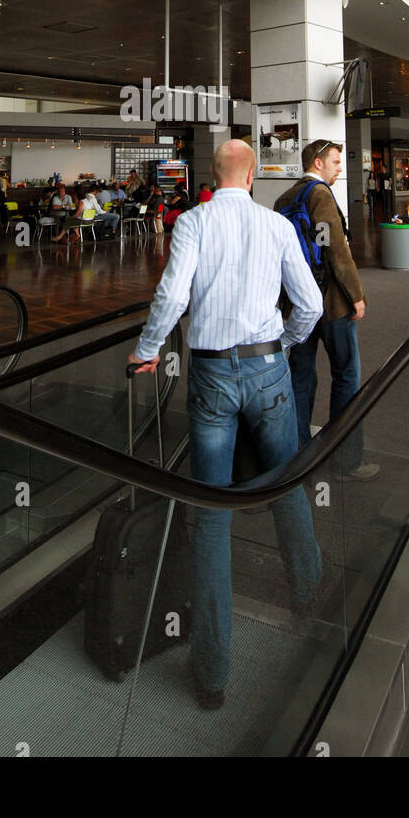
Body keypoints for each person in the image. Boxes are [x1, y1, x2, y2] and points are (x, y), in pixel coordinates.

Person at [128, 139, 324, 708]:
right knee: (286, 481)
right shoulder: (276, 226)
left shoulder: (192, 222)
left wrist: (147, 350)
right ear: (255, 173)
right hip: (267, 370)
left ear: (209, 176)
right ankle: (309, 595)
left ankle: (212, 674)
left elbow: (171, 295)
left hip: (211, 374)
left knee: (209, 514)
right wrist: (279, 349)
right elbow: (308, 304)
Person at [275, 140, 377, 477]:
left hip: (298, 304)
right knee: (346, 375)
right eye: (335, 161)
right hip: (331, 303)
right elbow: (335, 247)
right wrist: (355, 294)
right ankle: (344, 459)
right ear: (317, 163)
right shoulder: (320, 194)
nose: (339, 167)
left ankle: (299, 454)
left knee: (301, 377)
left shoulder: (284, 198)